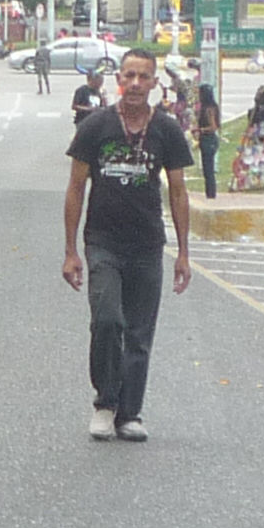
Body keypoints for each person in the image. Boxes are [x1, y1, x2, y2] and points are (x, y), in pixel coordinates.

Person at [64, 46, 193, 442]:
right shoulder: (95, 127)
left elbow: (177, 191)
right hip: (102, 241)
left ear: (155, 83)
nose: (135, 84)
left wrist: (183, 253)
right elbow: (75, 188)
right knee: (107, 320)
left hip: (147, 245)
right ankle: (105, 403)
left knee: (139, 331)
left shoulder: (167, 130)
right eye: (128, 76)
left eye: (144, 77)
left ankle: (130, 413)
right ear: (118, 80)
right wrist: (70, 251)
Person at [196, 84, 221, 199]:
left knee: (208, 170)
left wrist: (200, 130)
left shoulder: (208, 109)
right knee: (207, 169)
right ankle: (210, 193)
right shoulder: (213, 107)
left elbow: (213, 127)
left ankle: (211, 194)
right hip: (208, 140)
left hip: (208, 140)